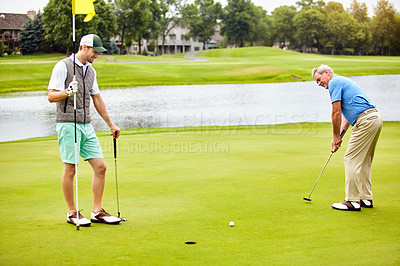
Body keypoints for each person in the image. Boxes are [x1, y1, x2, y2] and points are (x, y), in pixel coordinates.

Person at [48, 34, 121, 226]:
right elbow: (51, 96)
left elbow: (96, 98)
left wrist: (110, 124)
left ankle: (97, 211)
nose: (97, 55)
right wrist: (67, 92)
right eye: (95, 51)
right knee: (70, 169)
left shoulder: (91, 71)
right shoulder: (62, 66)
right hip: (67, 123)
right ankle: (72, 213)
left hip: (86, 125)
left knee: (101, 166)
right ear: (84, 47)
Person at [312, 64, 382, 211]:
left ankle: (352, 201)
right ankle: (365, 198)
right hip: (374, 118)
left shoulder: (334, 82)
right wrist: (339, 137)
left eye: (319, 79)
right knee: (364, 161)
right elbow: (346, 118)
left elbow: (336, 113)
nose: (319, 84)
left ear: (326, 73)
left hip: (365, 120)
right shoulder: (341, 81)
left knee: (351, 159)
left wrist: (335, 136)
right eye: (316, 82)